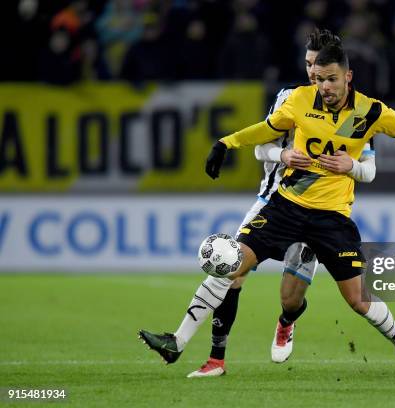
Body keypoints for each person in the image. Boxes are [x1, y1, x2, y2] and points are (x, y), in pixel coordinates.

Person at [139, 29, 377, 377]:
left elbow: (366, 162)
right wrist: (282, 153)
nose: (313, 72)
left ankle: (286, 321)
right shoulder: (290, 99)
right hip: (274, 203)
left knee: (290, 299)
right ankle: (210, 357)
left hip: (318, 212)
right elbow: (259, 147)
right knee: (230, 273)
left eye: (319, 65)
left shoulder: (354, 108)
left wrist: (352, 167)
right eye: (309, 64)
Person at [203, 44, 395, 376]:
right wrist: (226, 143)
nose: (325, 86)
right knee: (233, 266)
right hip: (287, 207)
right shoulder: (300, 100)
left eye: (331, 79)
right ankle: (212, 356)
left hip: (331, 219)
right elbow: (266, 131)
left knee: (357, 300)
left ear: (348, 77)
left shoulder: (369, 112)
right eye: (319, 79)